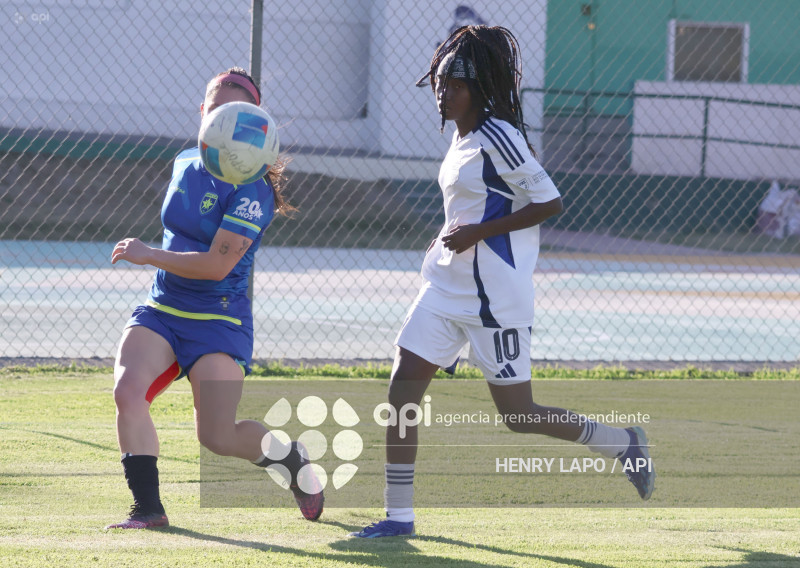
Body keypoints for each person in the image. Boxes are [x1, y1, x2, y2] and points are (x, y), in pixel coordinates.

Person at [350, 26, 655, 539]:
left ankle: (621, 443)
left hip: (495, 298)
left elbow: (550, 202)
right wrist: (454, 236)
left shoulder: (499, 136)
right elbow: (468, 207)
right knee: (402, 388)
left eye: (456, 84)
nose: (445, 93)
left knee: (518, 415)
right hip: (445, 290)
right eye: (441, 82)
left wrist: (480, 232)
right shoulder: (460, 137)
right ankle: (398, 517)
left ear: (480, 87)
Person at [106, 67, 323, 529]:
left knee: (218, 436)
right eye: (214, 106)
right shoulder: (185, 160)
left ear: (253, 125)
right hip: (163, 309)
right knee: (128, 392)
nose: (219, 115)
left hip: (218, 323)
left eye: (233, 110)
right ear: (202, 113)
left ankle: (291, 461)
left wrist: (149, 255)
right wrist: (156, 260)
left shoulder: (253, 189)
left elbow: (216, 266)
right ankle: (148, 509)